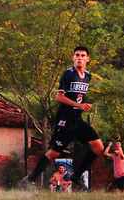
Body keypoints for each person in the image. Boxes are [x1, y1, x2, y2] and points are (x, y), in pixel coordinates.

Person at [22, 46, 104, 192]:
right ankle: (30, 179)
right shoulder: (68, 74)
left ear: (87, 59)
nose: (79, 58)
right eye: (77, 55)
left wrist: (80, 107)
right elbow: (59, 97)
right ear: (73, 58)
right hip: (65, 121)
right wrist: (79, 105)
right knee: (54, 153)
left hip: (77, 120)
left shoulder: (87, 76)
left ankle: (76, 176)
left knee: (98, 147)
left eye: (82, 55)